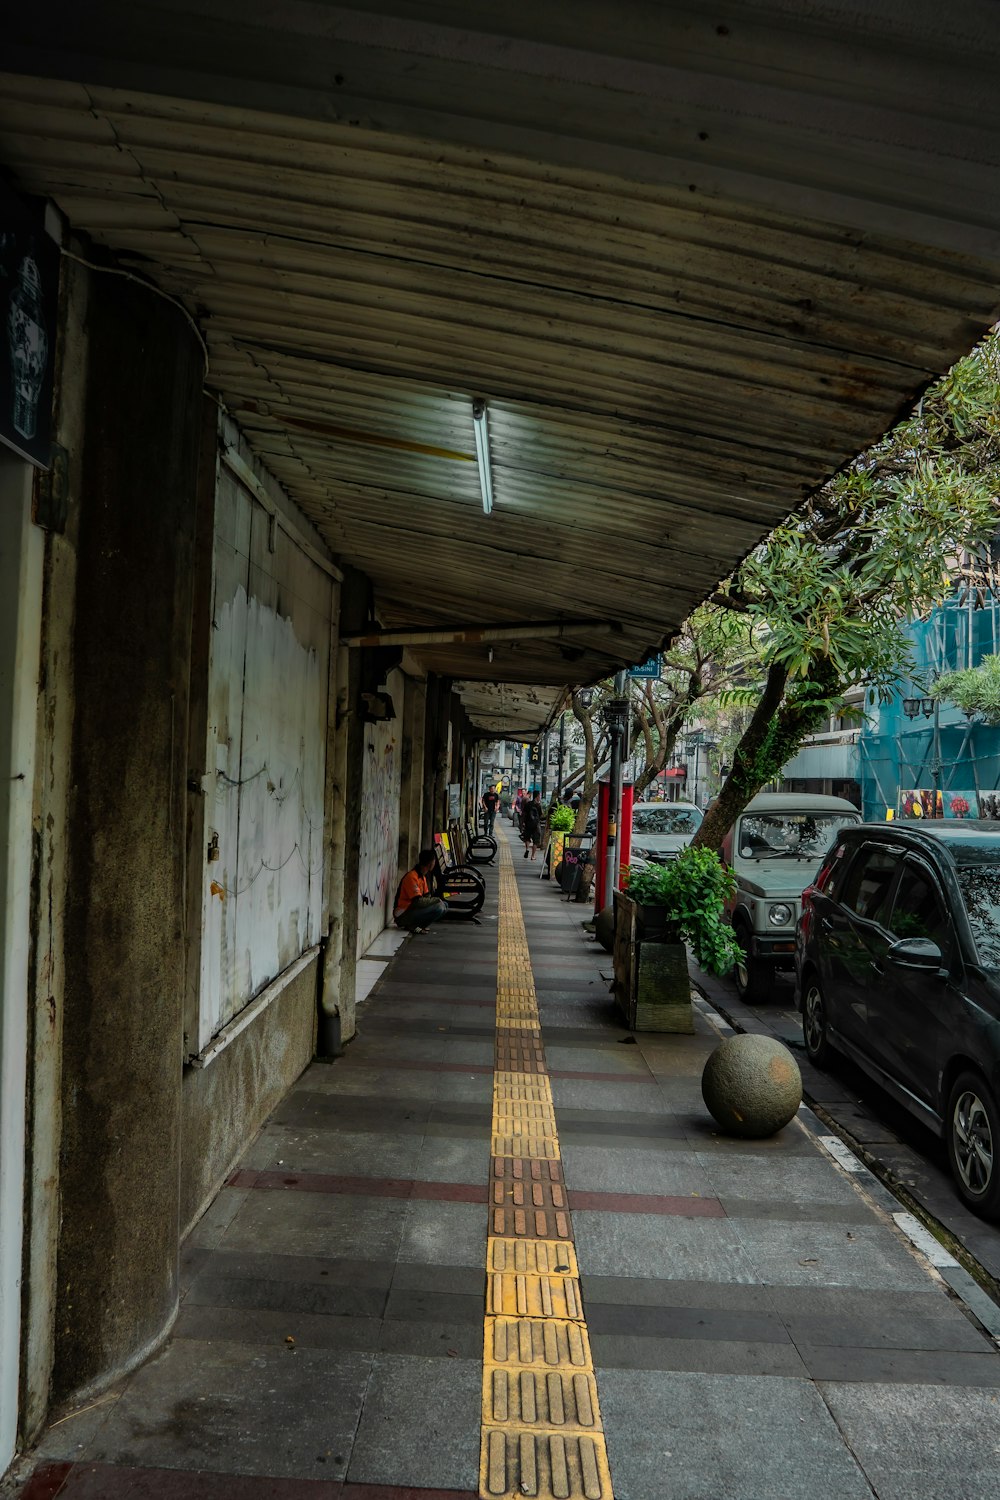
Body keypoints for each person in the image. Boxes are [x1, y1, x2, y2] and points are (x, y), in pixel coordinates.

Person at [393, 849, 448, 933]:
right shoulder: (411, 877)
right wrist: (436, 900)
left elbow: (426, 896)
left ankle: (419, 925)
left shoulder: (422, 877)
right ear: (430, 864)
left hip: (412, 909)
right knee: (439, 907)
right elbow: (417, 901)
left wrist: (434, 901)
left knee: (444, 905)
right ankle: (413, 925)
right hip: (403, 915)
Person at [521, 790, 543, 860]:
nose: (540, 797)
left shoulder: (528, 804)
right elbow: (540, 815)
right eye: (539, 795)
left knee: (527, 838)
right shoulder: (538, 805)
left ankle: (527, 849)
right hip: (536, 825)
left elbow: (524, 813)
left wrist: (523, 823)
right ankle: (533, 856)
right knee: (535, 841)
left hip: (528, 823)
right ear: (537, 796)